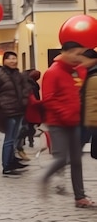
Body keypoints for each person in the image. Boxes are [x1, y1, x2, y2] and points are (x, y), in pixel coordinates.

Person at [40, 41, 94, 208]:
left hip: (74, 122)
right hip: (58, 123)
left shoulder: (76, 72)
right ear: (65, 52)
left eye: (80, 54)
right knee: (61, 158)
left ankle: (80, 197)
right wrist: (65, 113)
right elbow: (48, 99)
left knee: (77, 160)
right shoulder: (53, 72)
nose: (78, 57)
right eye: (76, 53)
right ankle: (43, 177)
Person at [0, 51, 30, 177]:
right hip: (6, 110)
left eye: (14, 58)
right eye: (10, 59)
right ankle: (6, 166)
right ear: (4, 60)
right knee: (9, 139)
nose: (13, 61)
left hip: (18, 109)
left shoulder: (18, 74)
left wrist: (25, 100)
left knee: (14, 137)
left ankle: (12, 161)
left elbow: (25, 88)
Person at [80, 48, 97, 159]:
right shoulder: (90, 73)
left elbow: (92, 100)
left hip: (93, 121)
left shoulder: (94, 76)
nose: (82, 63)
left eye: (84, 60)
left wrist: (90, 122)